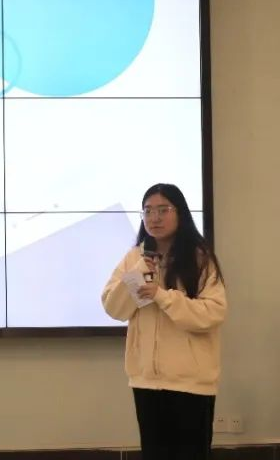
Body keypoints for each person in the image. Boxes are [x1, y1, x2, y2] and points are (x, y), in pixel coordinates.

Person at [101, 183, 227, 460]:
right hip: (146, 381)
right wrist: (137, 274)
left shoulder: (200, 258)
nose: (154, 218)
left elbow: (212, 313)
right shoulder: (134, 258)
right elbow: (114, 308)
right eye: (147, 211)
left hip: (191, 382)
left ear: (180, 212)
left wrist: (162, 296)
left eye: (163, 210)